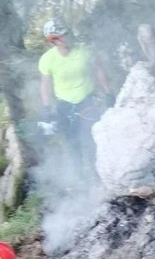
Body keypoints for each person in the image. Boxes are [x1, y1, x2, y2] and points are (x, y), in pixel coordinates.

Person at [38, 18, 112, 170]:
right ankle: (79, 179)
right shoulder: (47, 60)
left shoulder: (83, 50)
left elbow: (98, 70)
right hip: (64, 106)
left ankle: (98, 172)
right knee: (72, 143)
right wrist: (46, 108)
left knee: (90, 139)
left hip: (87, 101)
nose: (63, 39)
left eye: (65, 34)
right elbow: (45, 86)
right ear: (52, 41)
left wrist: (109, 93)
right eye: (58, 38)